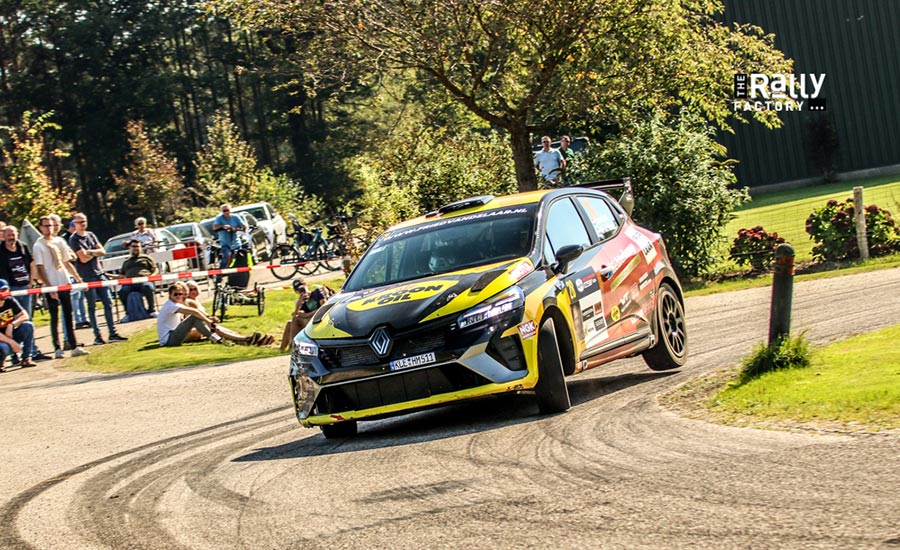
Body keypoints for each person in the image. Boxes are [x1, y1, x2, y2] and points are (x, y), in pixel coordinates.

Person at [32, 215, 89, 358]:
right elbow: (40, 268)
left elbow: (66, 262)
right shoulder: (38, 245)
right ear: (40, 228)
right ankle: (57, 347)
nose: (48, 228)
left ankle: (73, 345)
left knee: (68, 314)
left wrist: (78, 278)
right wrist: (49, 287)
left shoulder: (59, 241)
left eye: (50, 225)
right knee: (54, 316)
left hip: (63, 281)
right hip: (50, 284)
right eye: (45, 226)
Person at [69, 213, 127, 345]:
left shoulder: (91, 235)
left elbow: (103, 251)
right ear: (75, 224)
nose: (82, 224)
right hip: (87, 275)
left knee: (108, 302)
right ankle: (97, 336)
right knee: (92, 306)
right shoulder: (74, 239)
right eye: (79, 222)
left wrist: (89, 252)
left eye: (84, 221)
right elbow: (82, 259)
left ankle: (112, 332)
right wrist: (94, 253)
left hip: (99, 273)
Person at [183, 281, 273, 346]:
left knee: (221, 329)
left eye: (195, 289)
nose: (193, 291)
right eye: (190, 290)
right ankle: (245, 339)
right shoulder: (188, 302)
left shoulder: (196, 301)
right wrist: (210, 320)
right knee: (217, 329)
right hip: (194, 329)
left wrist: (210, 319)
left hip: (201, 326)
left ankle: (245, 339)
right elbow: (193, 318)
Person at [279, 280, 332, 351]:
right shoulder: (301, 302)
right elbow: (297, 314)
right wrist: (299, 304)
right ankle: (282, 348)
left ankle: (293, 347)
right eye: (299, 290)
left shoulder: (317, 293)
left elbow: (323, 308)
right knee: (290, 323)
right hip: (310, 320)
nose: (302, 291)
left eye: (303, 288)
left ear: (307, 286)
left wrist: (307, 315)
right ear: (296, 292)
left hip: (321, 319)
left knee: (296, 319)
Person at [116, 240, 159, 319]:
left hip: (144, 281)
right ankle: (128, 314)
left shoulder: (146, 258)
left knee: (147, 287)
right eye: (134, 246)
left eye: (138, 246)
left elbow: (155, 269)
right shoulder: (126, 261)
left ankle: (152, 310)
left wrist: (151, 277)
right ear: (129, 248)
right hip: (130, 283)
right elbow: (122, 274)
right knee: (123, 291)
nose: (136, 248)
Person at [0, 279, 36, 371]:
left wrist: (12, 324)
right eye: (1, 290)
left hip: (11, 333)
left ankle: (26, 358)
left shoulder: (10, 300)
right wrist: (12, 343)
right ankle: (1, 363)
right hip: (2, 339)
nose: (4, 292)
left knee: (28, 326)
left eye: (6, 289)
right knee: (4, 348)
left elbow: (25, 315)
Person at [67, 220, 89, 329]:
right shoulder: (68, 238)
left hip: (77, 270)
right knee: (75, 297)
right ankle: (78, 320)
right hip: (70, 270)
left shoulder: (80, 237)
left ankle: (84, 318)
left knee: (81, 297)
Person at [212, 204, 246, 272]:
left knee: (240, 259)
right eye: (224, 211)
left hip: (236, 242)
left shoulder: (235, 217)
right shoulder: (219, 218)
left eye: (227, 210)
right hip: (225, 243)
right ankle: (220, 275)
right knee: (226, 257)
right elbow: (214, 227)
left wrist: (234, 228)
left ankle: (241, 274)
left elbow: (244, 227)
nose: (226, 212)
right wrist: (223, 226)